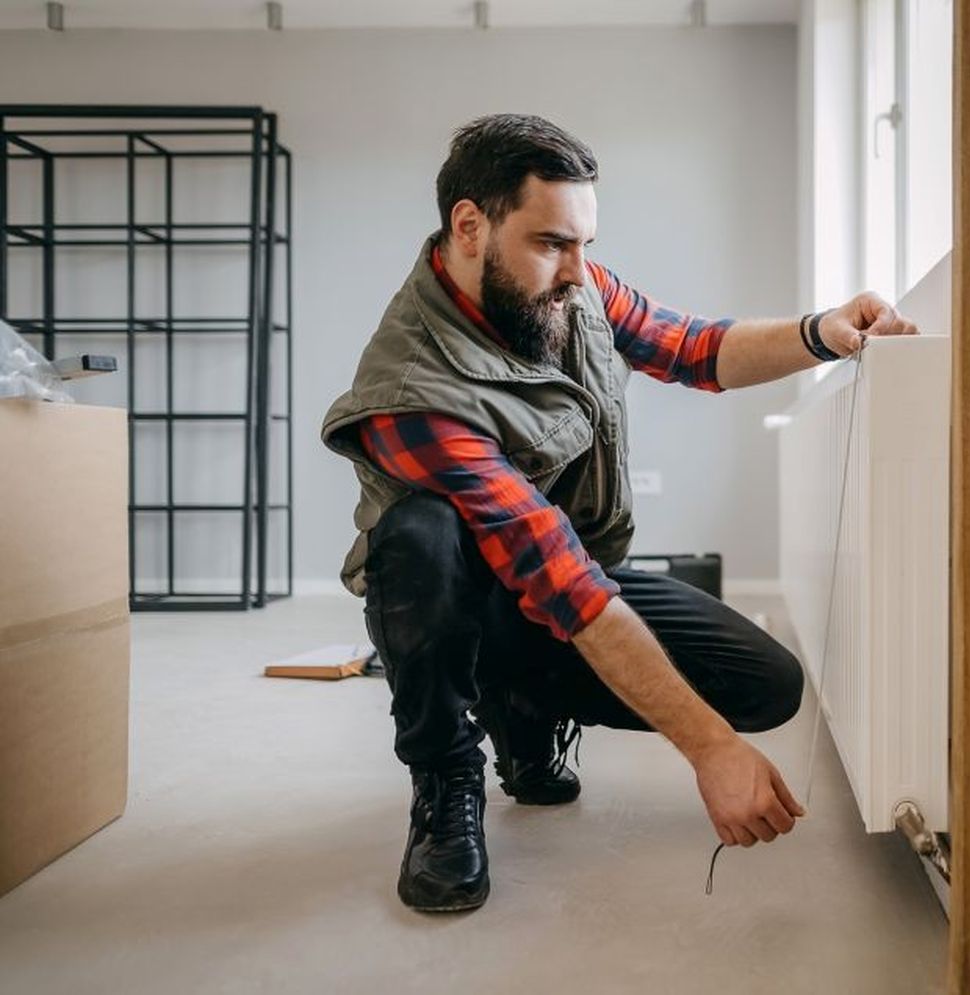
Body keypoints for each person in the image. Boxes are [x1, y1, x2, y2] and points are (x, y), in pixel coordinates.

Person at [321, 113, 918, 912]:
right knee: (417, 537)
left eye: (585, 245)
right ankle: (446, 779)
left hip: (569, 576)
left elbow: (696, 346)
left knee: (765, 683)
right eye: (550, 243)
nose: (577, 269)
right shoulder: (412, 394)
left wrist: (822, 331)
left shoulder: (576, 289)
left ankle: (526, 704)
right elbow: (556, 576)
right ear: (470, 226)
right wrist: (710, 752)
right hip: (477, 596)